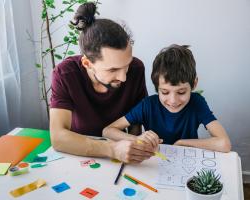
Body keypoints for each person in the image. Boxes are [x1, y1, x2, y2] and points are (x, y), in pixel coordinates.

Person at [50, 2, 157, 163]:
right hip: (79, 154)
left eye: (126, 65)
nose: (123, 77)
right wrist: (112, 149)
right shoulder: (65, 74)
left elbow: (136, 121)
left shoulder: (136, 68)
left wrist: (135, 147)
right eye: (113, 70)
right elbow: (58, 137)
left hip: (121, 156)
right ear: (87, 63)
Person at [103, 44, 231, 152]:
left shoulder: (197, 103)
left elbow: (224, 143)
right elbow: (108, 131)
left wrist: (182, 143)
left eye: (181, 92)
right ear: (156, 87)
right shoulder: (148, 105)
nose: (173, 101)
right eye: (164, 92)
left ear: (194, 84)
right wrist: (137, 139)